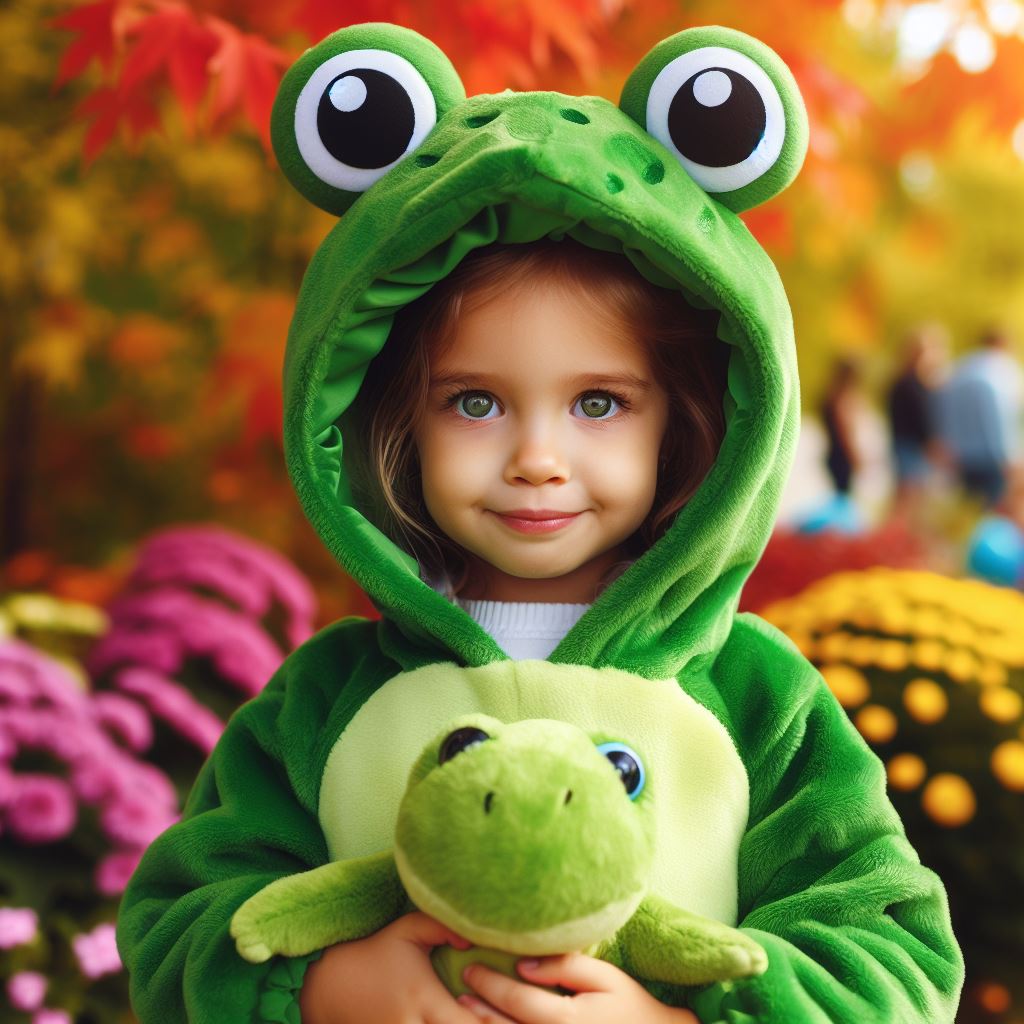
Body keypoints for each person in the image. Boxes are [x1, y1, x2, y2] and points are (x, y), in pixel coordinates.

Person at [116, 21, 963, 1024]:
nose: (537, 457)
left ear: (681, 424)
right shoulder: (328, 696)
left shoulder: (750, 692)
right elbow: (175, 920)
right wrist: (330, 987)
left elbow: (894, 954)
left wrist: (668, 1018)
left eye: (597, 403)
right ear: (393, 418)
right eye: (474, 402)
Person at [938, 327, 1024, 506]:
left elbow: (944, 412)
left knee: (968, 507)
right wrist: (1009, 455)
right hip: (992, 455)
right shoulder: (999, 371)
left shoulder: (961, 370)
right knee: (994, 507)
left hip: (961, 455)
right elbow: (1000, 418)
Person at [886, 324, 947, 517]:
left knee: (912, 499)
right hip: (910, 448)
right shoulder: (909, 384)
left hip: (909, 447)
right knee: (909, 498)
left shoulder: (909, 382)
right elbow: (921, 420)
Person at [820, 357, 870, 497]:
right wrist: (854, 455)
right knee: (843, 495)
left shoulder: (832, 394)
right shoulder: (842, 399)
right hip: (841, 455)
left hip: (834, 452)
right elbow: (845, 430)